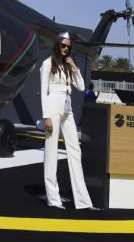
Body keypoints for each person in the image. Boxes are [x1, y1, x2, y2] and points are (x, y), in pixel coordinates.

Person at [40, 32, 98, 210]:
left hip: (68, 108)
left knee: (75, 151)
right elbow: (43, 91)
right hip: (53, 106)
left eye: (68, 47)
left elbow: (80, 86)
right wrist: (46, 116)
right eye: (63, 45)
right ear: (57, 45)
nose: (65, 49)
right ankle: (53, 199)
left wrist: (74, 66)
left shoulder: (68, 65)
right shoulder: (47, 63)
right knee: (51, 152)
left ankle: (83, 201)